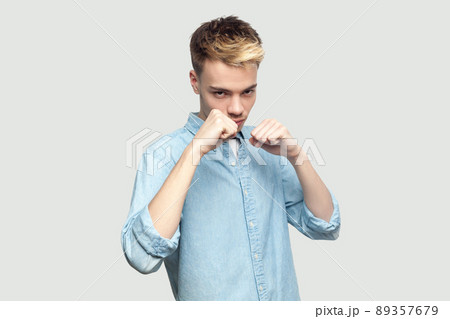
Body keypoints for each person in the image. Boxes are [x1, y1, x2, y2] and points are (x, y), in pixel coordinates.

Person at [121, 15, 341, 301]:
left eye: (248, 91)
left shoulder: (267, 149)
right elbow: (141, 256)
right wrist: (195, 149)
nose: (237, 108)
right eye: (220, 93)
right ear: (194, 81)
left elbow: (326, 225)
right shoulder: (164, 155)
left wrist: (297, 155)